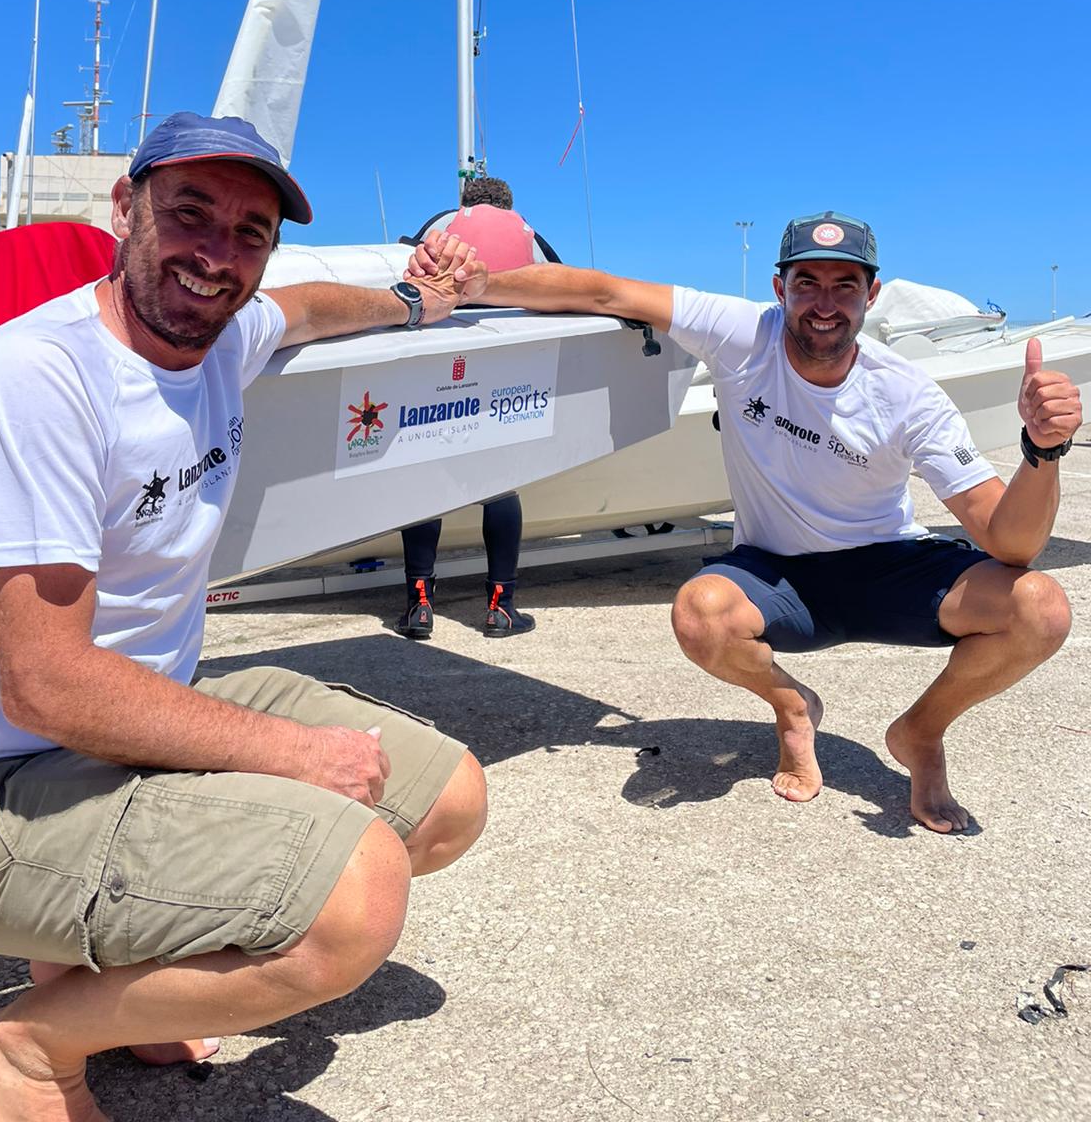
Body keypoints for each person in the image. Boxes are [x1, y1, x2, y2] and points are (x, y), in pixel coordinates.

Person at [0, 111, 489, 1122]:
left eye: (250, 231)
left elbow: (305, 309)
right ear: (125, 210)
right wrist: (291, 754)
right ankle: (30, 1050)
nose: (217, 255)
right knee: (355, 897)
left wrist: (409, 300)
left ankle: (101, 979)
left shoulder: (223, 331)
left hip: (124, 731)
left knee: (447, 803)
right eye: (190, 214)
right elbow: (47, 684)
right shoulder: (37, 382)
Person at [414, 210, 1082, 834]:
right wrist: (479, 286)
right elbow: (606, 293)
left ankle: (922, 732)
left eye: (844, 285)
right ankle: (793, 707)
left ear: (871, 295)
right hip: (778, 574)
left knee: (1041, 609)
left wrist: (1043, 450)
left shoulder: (908, 393)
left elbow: (1010, 541)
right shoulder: (742, 333)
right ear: (779, 287)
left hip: (886, 566)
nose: (825, 302)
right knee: (698, 615)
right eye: (807, 283)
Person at [397, 176, 552, 639]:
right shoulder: (532, 235)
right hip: (506, 366)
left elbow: (403, 278)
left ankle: (419, 605)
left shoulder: (440, 226)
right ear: (510, 205)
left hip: (441, 364)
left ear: (464, 203)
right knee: (502, 487)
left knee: (427, 480)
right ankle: (501, 608)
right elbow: (556, 288)